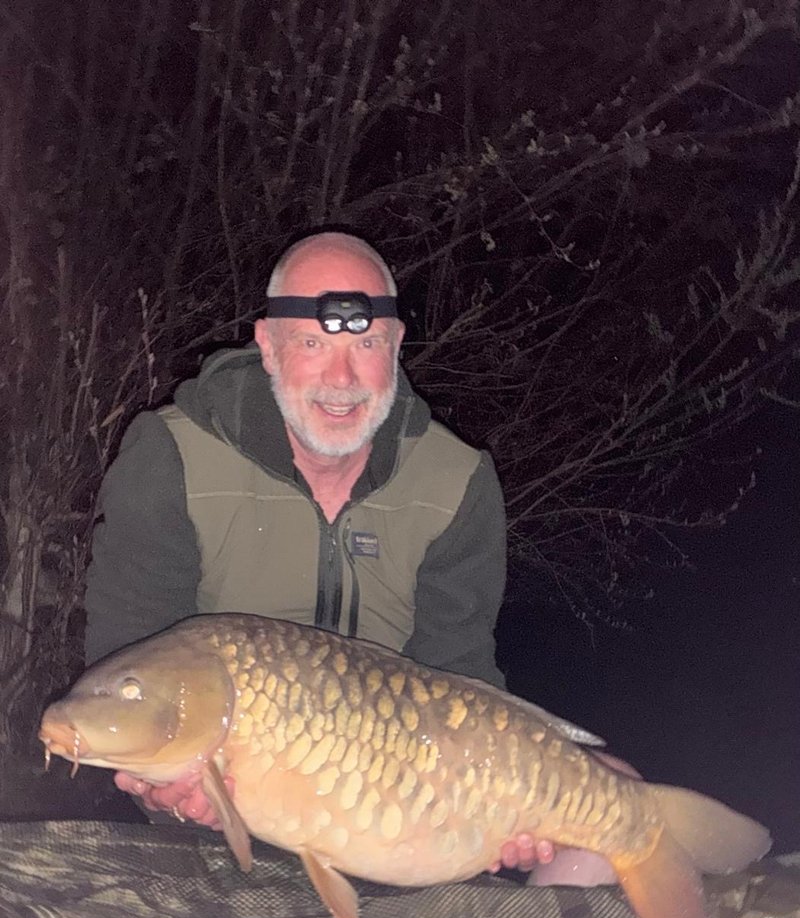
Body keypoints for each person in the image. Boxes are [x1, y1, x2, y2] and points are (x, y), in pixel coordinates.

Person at [85, 230, 565, 873]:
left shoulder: (456, 483)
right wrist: (162, 788)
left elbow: (460, 675)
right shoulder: (170, 459)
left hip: (392, 818)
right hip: (202, 832)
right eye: (313, 343)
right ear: (267, 346)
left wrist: (503, 801)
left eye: (365, 345)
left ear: (395, 347)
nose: (342, 379)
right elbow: (130, 659)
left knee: (585, 840)